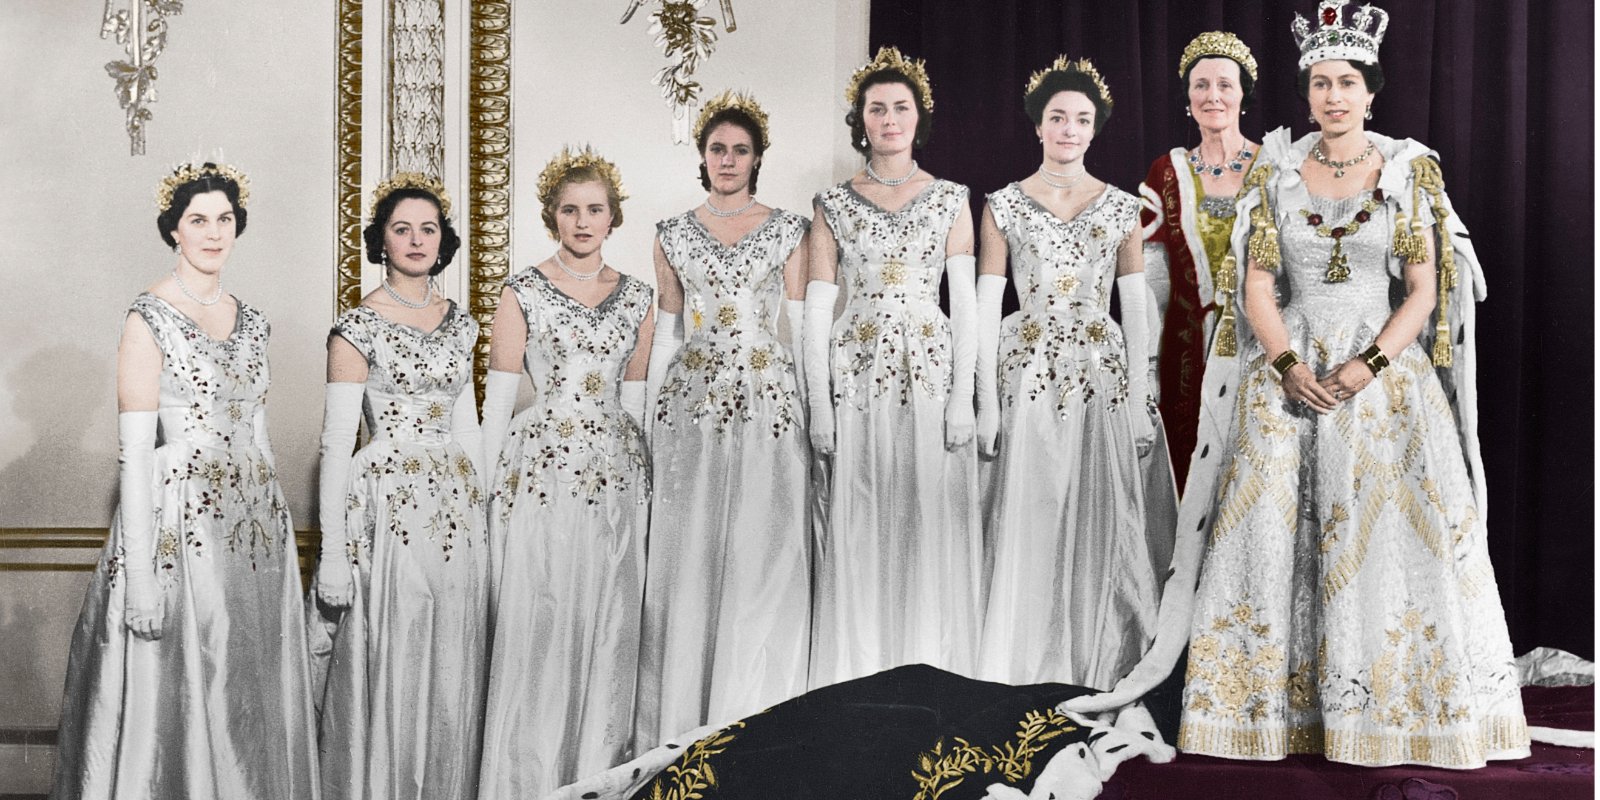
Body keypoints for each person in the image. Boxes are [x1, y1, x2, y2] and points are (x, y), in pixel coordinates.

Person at [1069, 0, 1530, 769]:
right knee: (1273, 535)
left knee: (1383, 540)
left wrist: (1365, 366)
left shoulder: (1409, 170)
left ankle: (1390, 712)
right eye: (1320, 83)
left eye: (1347, 82)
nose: (1333, 97)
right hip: (1290, 365)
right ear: (1305, 90)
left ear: (1371, 91)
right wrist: (1287, 365)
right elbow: (1256, 281)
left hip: (1380, 376)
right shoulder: (1275, 173)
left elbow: (1421, 290)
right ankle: (1273, 717)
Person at [50, 162, 317, 798]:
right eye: (198, 219)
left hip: (254, 538)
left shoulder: (253, 320)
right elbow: (136, 453)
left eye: (224, 219)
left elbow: (258, 434)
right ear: (174, 230)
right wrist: (140, 578)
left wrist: (277, 548)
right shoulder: (149, 316)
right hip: (181, 524)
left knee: (247, 689)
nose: (213, 232)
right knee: (185, 683)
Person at [974, 56, 1175, 689]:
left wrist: (1143, 395)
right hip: (1025, 366)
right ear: (1038, 126)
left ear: (1095, 130)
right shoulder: (1003, 204)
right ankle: (1022, 661)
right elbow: (985, 303)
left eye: (1081, 120)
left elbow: (1137, 306)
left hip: (1098, 368)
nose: (1069, 129)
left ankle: (1098, 655)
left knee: (1098, 510)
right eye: (1058, 117)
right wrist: (981, 398)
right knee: (1030, 504)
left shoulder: (1119, 208)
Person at [633, 90, 812, 748]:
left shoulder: (791, 228)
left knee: (762, 545)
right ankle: (686, 716)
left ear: (757, 157)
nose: (728, 159)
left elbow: (799, 327)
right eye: (717, 150)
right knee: (697, 548)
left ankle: (759, 713)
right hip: (693, 404)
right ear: (702, 158)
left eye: (740, 149)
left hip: (768, 397)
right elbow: (670, 332)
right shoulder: (672, 233)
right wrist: (653, 420)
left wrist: (813, 412)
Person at [477, 146, 656, 795]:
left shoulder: (639, 297)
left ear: (613, 218)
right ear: (552, 215)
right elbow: (495, 408)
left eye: (595, 210)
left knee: (609, 628)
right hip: (542, 475)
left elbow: (635, 407)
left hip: (617, 482)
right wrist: (482, 493)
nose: (583, 221)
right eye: (570, 209)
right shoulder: (521, 291)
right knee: (543, 627)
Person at [803, 46, 982, 687]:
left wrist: (965, 397)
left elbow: (966, 307)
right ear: (861, 120)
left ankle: (932, 664)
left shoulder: (952, 198)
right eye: (876, 108)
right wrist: (818, 405)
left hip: (931, 367)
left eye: (900, 107)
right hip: (856, 371)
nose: (889, 118)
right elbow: (817, 310)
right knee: (863, 505)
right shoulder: (832, 204)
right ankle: (860, 669)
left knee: (927, 510)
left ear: (918, 116)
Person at [310, 173, 489, 799]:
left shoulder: (461, 325)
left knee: (451, 661)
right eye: (402, 228)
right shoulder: (356, 327)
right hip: (384, 508)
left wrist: (488, 521)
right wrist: (332, 555)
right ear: (381, 241)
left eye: (429, 229)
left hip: (457, 510)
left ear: (444, 242)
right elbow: (336, 445)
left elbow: (469, 432)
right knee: (395, 653)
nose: (416, 239)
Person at [1139, 31, 1263, 494]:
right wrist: (1147, 364)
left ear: (1243, 94)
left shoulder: (1276, 166)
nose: (1213, 96)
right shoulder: (1166, 171)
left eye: (1225, 85)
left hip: (1259, 346)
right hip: (1186, 352)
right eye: (1201, 85)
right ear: (1188, 97)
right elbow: (1154, 279)